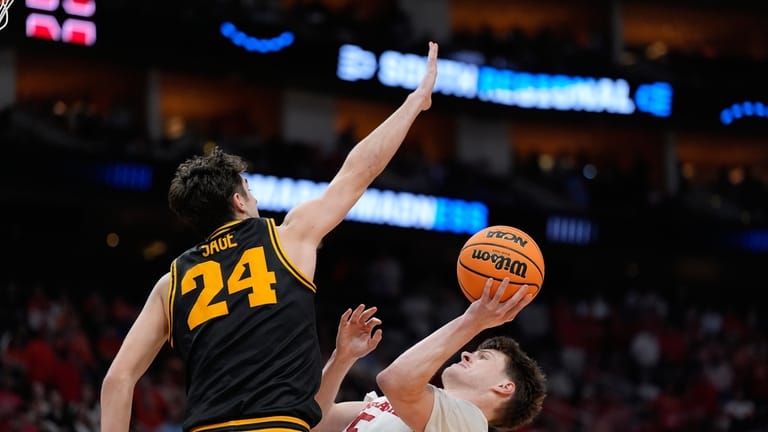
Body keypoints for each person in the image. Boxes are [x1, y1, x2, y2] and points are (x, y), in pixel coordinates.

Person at [100, 41, 440, 432]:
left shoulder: (171, 283)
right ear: (238, 201)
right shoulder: (287, 238)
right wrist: (415, 102)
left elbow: (117, 379)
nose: (257, 198)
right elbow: (358, 170)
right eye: (250, 188)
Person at [313, 277, 547, 432]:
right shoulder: (393, 403)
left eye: (483, 357)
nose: (466, 354)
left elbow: (394, 380)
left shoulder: (468, 424)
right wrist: (342, 358)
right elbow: (316, 421)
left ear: (505, 387)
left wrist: (474, 321)